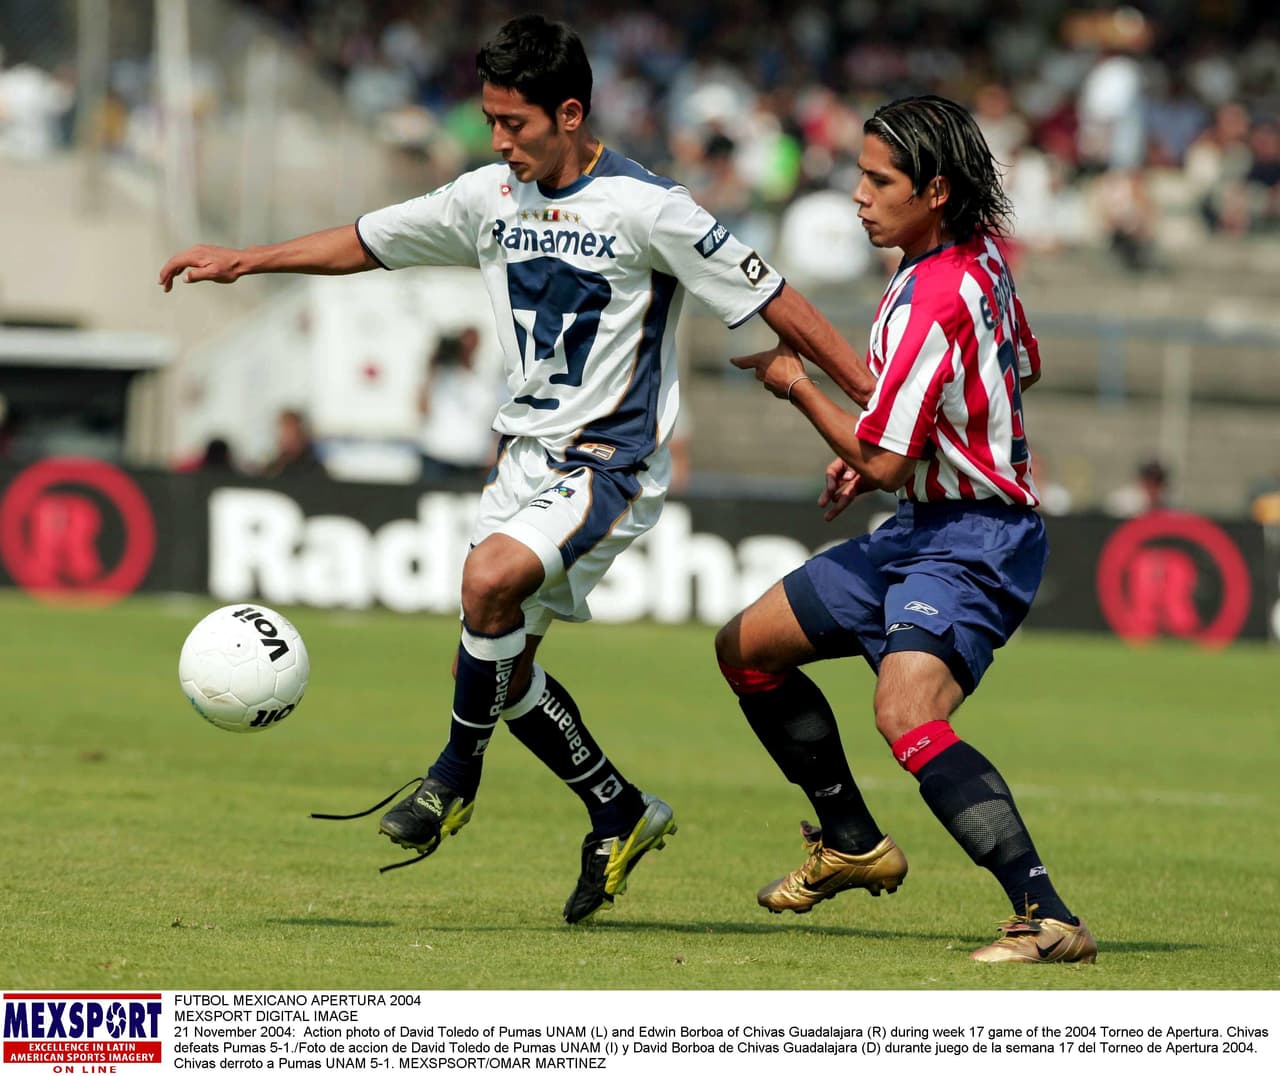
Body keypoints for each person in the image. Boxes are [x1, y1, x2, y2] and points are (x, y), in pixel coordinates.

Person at [159, 14, 866, 925]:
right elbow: (367, 241)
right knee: (506, 665)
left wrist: (875, 403)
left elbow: (777, 302)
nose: (498, 141)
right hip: (522, 461)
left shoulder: (653, 209)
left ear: (570, 114)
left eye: (515, 123)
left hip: (610, 460)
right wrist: (245, 261)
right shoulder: (487, 197)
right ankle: (618, 807)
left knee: (486, 584)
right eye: (490, 120)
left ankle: (453, 778)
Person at [720, 95, 1096, 963]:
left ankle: (1049, 918)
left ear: (933, 190)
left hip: (976, 538)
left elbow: (887, 462)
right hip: (922, 522)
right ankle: (850, 839)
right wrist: (903, 446)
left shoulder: (933, 294)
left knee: (907, 714)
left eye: (877, 179)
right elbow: (1020, 370)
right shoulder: (975, 261)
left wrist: (796, 382)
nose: (857, 194)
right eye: (859, 172)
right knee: (745, 648)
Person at [418, 326, 502, 485]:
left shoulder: (485, 378)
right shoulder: (440, 373)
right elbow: (422, 409)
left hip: (473, 460)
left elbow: (494, 420)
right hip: (438, 456)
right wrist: (432, 366)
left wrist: (493, 452)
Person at [261, 408, 325, 479]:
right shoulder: (273, 467)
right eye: (284, 433)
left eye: (292, 433)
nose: (287, 438)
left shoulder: (313, 469)